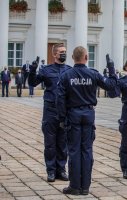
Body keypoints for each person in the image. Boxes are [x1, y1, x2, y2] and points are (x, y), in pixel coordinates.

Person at [56, 46, 117, 195]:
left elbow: (60, 99)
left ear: (72, 57)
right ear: (87, 57)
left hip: (73, 115)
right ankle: (85, 187)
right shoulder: (93, 74)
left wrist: (62, 118)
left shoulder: (66, 75)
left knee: (74, 151)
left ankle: (75, 186)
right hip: (89, 114)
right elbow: (111, 86)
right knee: (87, 150)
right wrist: (111, 68)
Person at [28, 43, 71, 182]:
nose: (63, 54)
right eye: (60, 52)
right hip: (50, 110)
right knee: (50, 143)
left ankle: (62, 170)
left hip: (64, 111)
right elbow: (32, 83)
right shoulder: (46, 70)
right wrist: (33, 70)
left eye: (65, 51)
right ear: (54, 54)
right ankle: (51, 171)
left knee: (63, 143)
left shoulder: (70, 70)